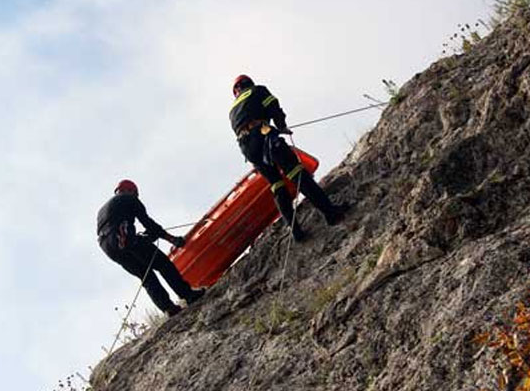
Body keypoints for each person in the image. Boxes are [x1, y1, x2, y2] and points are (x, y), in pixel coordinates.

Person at [229, 74, 348, 241]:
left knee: (276, 185)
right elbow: (273, 106)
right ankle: (330, 213)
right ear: (249, 83)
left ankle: (296, 231)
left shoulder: (232, 110)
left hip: (248, 149)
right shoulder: (258, 90)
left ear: (236, 91)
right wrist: (281, 125)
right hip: (264, 135)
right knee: (296, 173)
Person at [97, 179, 204, 316]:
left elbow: (114, 226)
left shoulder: (104, 210)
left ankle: (168, 308)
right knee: (163, 264)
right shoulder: (128, 199)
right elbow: (148, 223)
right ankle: (188, 294)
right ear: (130, 191)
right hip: (122, 238)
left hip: (108, 247)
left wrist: (145, 237)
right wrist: (172, 239)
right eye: (135, 194)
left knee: (146, 276)